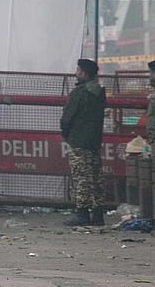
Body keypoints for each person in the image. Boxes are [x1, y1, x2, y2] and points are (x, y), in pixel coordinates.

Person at [60, 58, 107, 227]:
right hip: (94, 140)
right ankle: (98, 213)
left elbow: (67, 118)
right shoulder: (99, 92)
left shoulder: (79, 93)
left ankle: (82, 213)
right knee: (95, 177)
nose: (76, 73)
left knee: (81, 177)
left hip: (79, 139)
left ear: (84, 73)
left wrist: (66, 133)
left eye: (78, 70)